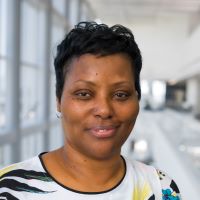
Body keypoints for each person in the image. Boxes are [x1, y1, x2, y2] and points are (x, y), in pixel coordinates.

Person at [0, 21, 181, 200]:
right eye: (84, 94)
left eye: (120, 94)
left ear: (137, 99)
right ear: (58, 100)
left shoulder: (160, 189)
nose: (104, 110)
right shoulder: (10, 189)